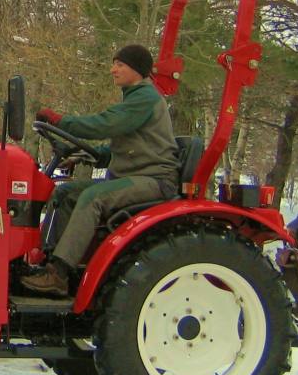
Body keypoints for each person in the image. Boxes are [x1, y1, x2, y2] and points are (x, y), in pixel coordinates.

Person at [21, 44, 179, 297]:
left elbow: (104, 124)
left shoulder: (145, 98)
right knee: (67, 193)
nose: (112, 69)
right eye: (114, 63)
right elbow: (128, 147)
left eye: (119, 65)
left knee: (92, 197)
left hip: (153, 180)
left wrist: (62, 121)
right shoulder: (134, 98)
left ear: (136, 69)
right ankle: (50, 262)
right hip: (133, 175)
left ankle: (58, 274)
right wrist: (84, 156)